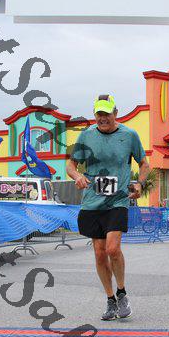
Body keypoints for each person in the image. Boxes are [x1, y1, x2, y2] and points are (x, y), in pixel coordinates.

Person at [67, 94, 150, 321]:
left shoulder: (129, 135)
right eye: (99, 114)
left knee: (113, 249)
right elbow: (71, 164)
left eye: (107, 113)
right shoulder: (86, 136)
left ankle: (122, 292)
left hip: (117, 200)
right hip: (93, 202)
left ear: (116, 113)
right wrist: (77, 176)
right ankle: (110, 298)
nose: (102, 118)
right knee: (99, 252)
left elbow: (145, 164)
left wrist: (140, 183)